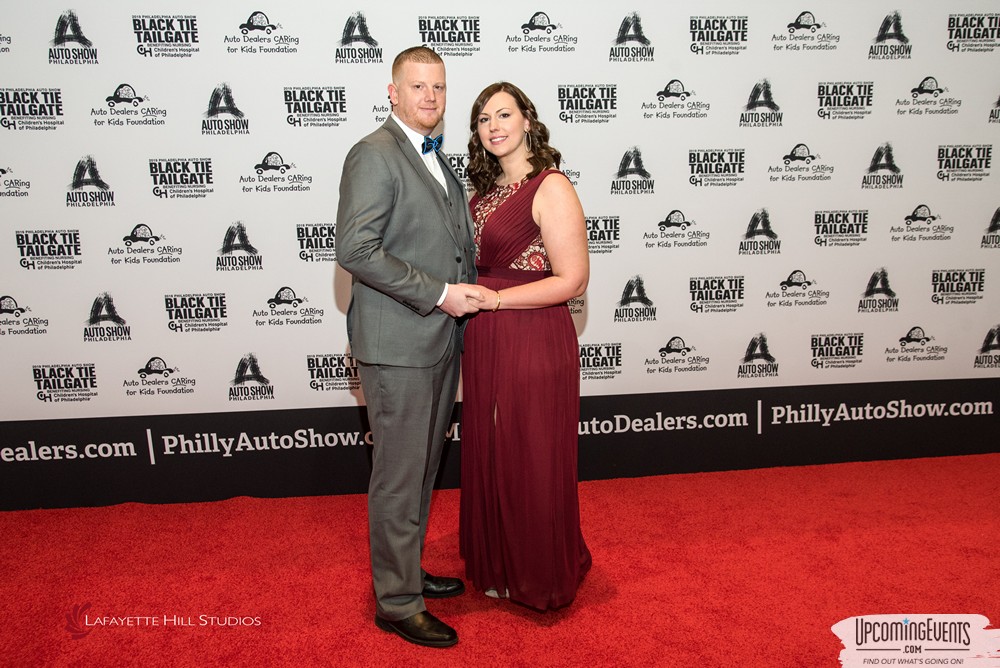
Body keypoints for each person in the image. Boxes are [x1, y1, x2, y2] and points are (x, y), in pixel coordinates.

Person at [336, 46, 485, 649]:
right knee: (399, 477)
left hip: (435, 341)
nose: (431, 97)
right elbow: (357, 250)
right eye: (418, 86)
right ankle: (396, 603)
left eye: (440, 87)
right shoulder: (373, 154)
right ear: (393, 91)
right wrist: (442, 294)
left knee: (422, 470)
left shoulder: (434, 158)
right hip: (398, 343)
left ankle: (407, 572)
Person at [459, 81, 592, 611]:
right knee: (495, 451)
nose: (493, 126)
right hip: (488, 337)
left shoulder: (551, 187)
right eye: (483, 119)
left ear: (528, 121)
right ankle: (501, 563)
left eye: (504, 114)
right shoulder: (483, 195)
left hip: (532, 335)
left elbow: (573, 280)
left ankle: (537, 570)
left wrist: (495, 303)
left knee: (530, 453)